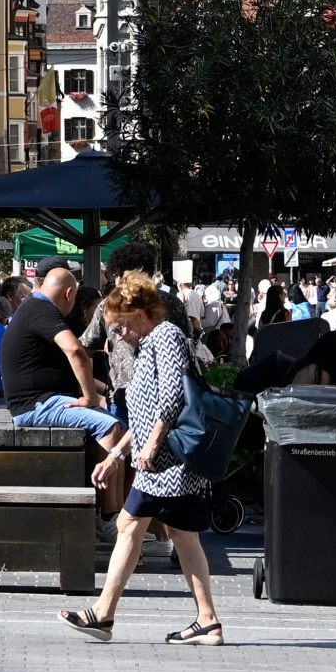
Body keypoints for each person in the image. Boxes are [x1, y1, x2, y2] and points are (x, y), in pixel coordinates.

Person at [61, 274, 225, 644]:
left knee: (133, 525)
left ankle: (104, 615)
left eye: (120, 326)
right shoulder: (150, 343)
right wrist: (117, 455)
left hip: (166, 463)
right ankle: (206, 620)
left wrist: (148, 446)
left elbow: (169, 400)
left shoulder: (165, 338)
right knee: (178, 535)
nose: (117, 336)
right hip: (165, 464)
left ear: (140, 313)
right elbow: (146, 412)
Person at [1, 263, 115, 430]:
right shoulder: (42, 309)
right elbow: (75, 350)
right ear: (69, 294)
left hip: (39, 401)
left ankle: (98, 456)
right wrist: (91, 398)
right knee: (111, 425)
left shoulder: (33, 306)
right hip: (38, 405)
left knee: (109, 415)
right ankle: (109, 457)